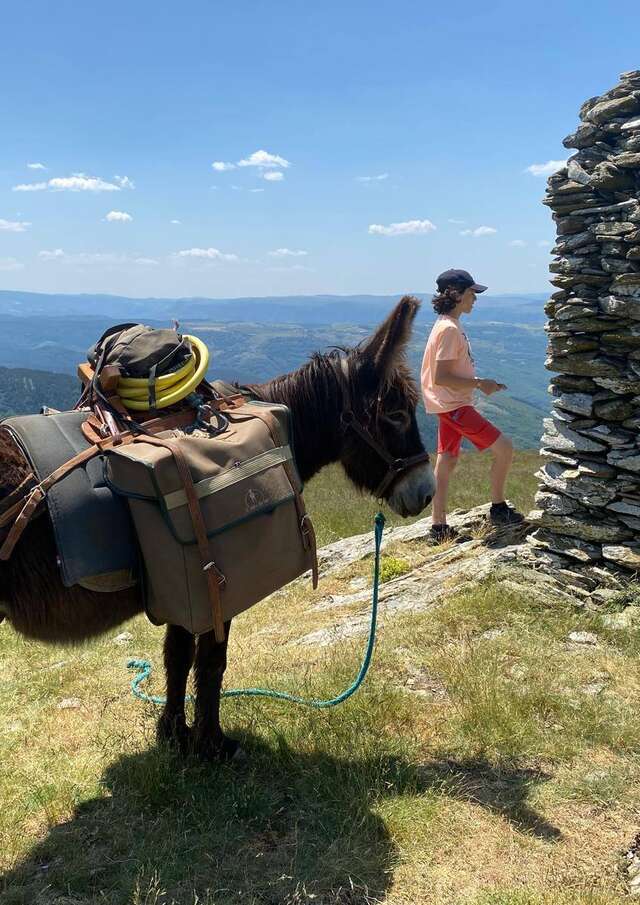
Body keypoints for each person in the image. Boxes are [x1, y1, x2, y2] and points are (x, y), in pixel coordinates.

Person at [421, 269, 524, 543]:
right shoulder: (449, 329)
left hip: (447, 403)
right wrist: (480, 383)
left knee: (448, 459)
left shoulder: (445, 324)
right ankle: (498, 508)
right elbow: (440, 376)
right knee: (504, 448)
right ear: (454, 294)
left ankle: (438, 526)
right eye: (471, 293)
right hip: (453, 404)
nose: (474, 299)